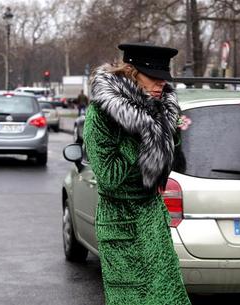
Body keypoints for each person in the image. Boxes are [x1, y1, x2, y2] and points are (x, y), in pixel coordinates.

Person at [83, 42, 191, 305]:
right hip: (122, 226)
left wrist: (170, 134)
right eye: (154, 78)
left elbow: (164, 165)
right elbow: (109, 177)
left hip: (153, 221)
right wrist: (145, 135)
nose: (161, 85)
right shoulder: (103, 113)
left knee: (169, 298)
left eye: (164, 80)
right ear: (131, 72)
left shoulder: (160, 107)